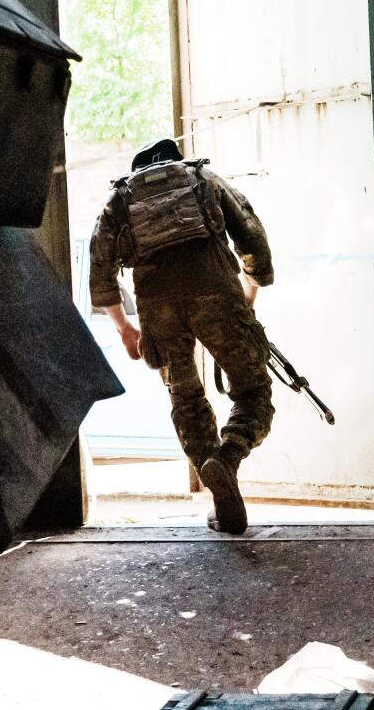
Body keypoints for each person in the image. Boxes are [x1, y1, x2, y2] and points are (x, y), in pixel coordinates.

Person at [88, 138, 275, 533]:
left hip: (159, 311)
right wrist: (250, 293)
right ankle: (229, 457)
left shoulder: (120, 199)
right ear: (176, 162)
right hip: (217, 295)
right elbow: (252, 236)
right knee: (254, 391)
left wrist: (125, 329)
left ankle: (220, 496)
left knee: (186, 401)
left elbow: (99, 270)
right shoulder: (203, 177)